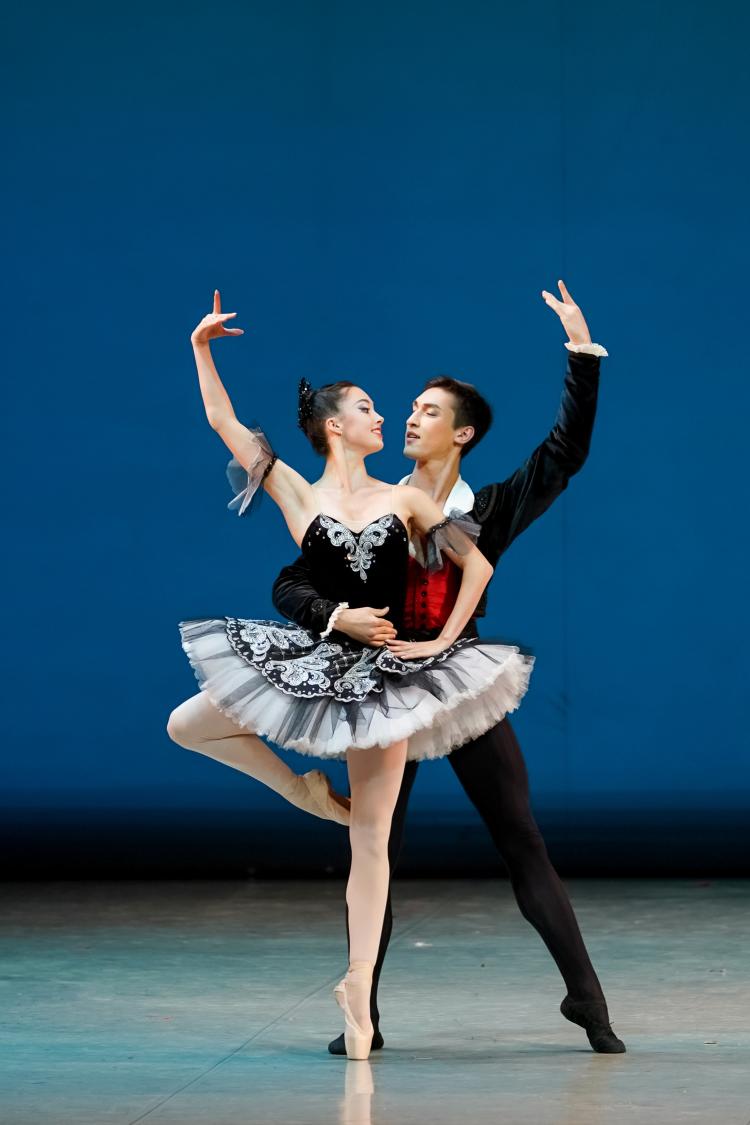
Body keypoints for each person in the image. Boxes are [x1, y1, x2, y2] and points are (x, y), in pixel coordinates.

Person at [166, 290, 535, 1060]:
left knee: (372, 838)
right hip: (319, 655)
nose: (382, 416)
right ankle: (301, 791)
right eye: (367, 407)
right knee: (187, 723)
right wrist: (201, 347)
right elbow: (222, 422)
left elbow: (477, 565)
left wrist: (442, 645)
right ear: (335, 425)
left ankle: (358, 995)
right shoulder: (296, 491)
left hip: (386, 680)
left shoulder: (406, 497)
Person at [271, 279, 627, 1055]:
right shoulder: (369, 503)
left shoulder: (485, 508)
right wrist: (333, 615)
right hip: (380, 683)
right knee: (375, 844)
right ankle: (362, 1013)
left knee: (519, 835)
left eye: (429, 411)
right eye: (410, 407)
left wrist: (581, 353)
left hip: (454, 678)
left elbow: (563, 454)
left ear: (461, 434)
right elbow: (296, 578)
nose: (410, 416)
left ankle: (588, 998)